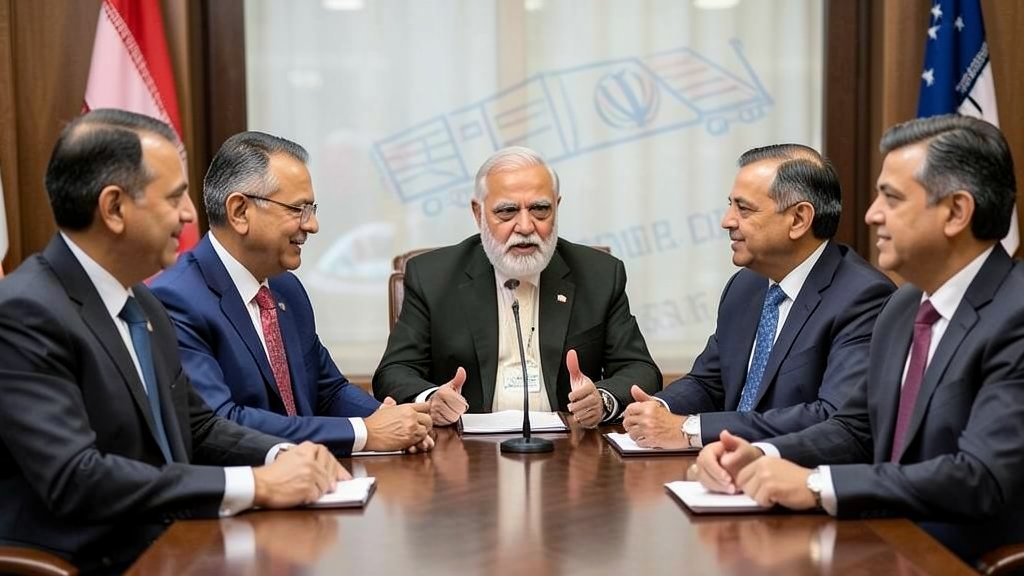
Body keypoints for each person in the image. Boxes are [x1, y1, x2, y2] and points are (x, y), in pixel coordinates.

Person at [0, 110, 347, 572]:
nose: (190, 215)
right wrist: (256, 484)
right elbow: (76, 477)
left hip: (179, 540)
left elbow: (200, 427)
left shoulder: (141, 302)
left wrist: (286, 454)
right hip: (94, 558)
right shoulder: (24, 312)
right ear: (114, 208)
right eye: (175, 198)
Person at [694, 115, 1024, 562]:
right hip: (878, 541)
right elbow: (854, 429)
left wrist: (814, 484)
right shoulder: (904, 307)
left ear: (957, 212)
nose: (871, 214)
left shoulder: (1015, 313)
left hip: (961, 558)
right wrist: (758, 456)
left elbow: (981, 477)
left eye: (891, 197)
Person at [151, 132, 432, 456]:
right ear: (240, 211)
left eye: (311, 209)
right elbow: (221, 422)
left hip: (314, 480)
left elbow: (329, 391)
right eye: (298, 209)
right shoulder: (176, 299)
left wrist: (396, 420)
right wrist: (365, 432)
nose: (312, 225)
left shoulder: (286, 288)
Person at [623, 145, 893, 448]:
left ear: (799, 219)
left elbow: (832, 417)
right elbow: (709, 381)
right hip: (723, 473)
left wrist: (690, 430)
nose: (727, 221)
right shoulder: (745, 286)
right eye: (730, 206)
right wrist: (659, 408)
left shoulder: (863, 297)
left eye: (744, 209)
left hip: (795, 478)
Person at [373, 146, 661, 428]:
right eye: (507, 211)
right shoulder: (433, 277)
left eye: (540, 209)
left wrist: (603, 400)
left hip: (570, 450)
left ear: (556, 207)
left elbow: (641, 370)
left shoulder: (598, 274)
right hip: (463, 452)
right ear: (478, 213)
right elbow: (393, 372)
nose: (525, 226)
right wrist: (433, 399)